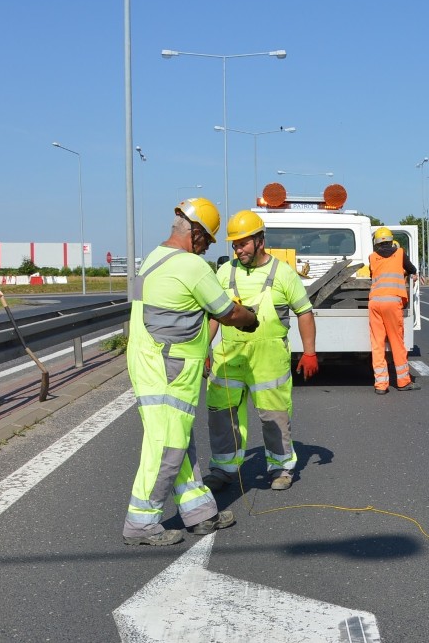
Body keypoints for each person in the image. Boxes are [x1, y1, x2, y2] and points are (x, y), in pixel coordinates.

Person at [122, 197, 260, 547]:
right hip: (169, 367)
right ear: (196, 234)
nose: (206, 249)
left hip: (150, 360)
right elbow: (226, 312)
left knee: (178, 440)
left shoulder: (153, 258)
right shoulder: (191, 267)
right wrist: (251, 318)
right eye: (208, 242)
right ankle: (141, 523)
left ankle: (199, 512)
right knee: (167, 444)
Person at [204, 210, 318, 493]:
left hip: (269, 358)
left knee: (273, 415)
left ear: (259, 240)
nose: (237, 249)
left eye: (242, 243)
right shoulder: (223, 272)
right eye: (234, 244)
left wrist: (310, 352)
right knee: (222, 413)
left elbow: (304, 312)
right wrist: (203, 348)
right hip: (230, 355)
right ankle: (223, 468)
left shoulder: (283, 274)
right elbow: (213, 317)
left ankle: (280, 468)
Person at [368, 227, 419, 394]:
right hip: (392, 302)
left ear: (376, 243)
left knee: (377, 344)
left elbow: (373, 274)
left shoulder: (372, 257)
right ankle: (403, 381)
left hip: (375, 302)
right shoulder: (400, 253)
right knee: (397, 342)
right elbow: (412, 269)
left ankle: (381, 385)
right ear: (391, 240)